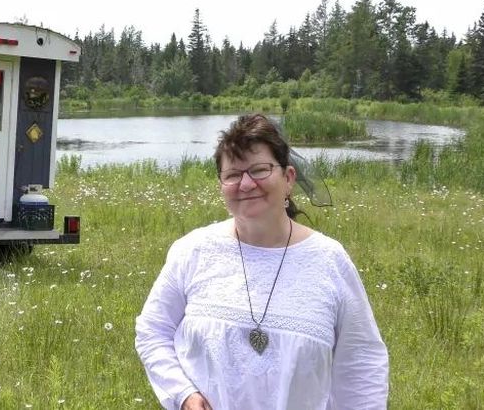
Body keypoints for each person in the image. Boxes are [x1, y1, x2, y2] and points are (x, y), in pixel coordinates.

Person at [135, 114, 388, 410]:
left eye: (259, 170)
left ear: (289, 178)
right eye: (232, 175)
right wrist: (183, 394)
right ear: (221, 185)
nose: (246, 184)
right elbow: (153, 331)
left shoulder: (329, 261)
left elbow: (361, 364)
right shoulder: (193, 251)